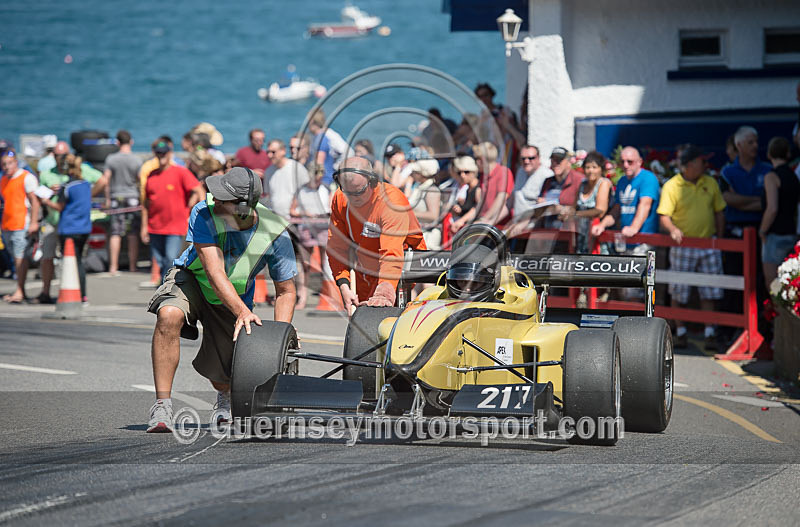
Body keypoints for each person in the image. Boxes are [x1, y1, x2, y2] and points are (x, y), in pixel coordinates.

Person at [145, 167, 297, 432]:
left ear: (241, 208)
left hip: (232, 297)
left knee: (221, 377)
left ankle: (224, 399)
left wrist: (279, 338)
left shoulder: (275, 232)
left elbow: (286, 291)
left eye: (222, 198)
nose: (214, 200)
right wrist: (243, 311)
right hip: (193, 280)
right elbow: (214, 273)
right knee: (169, 314)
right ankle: (162, 406)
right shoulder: (203, 213)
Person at [327, 157, 426, 314]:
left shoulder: (391, 203)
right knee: (362, 323)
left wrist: (385, 291)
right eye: (348, 192)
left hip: (400, 266)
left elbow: (392, 253)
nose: (353, 198)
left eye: (359, 191)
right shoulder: (340, 198)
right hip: (365, 268)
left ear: (372, 182)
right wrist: (343, 285)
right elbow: (336, 246)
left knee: (387, 322)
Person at [657, 145, 726, 350]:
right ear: (689, 165)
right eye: (701, 161)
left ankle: (710, 333)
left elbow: (719, 212)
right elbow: (664, 217)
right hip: (683, 244)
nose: (705, 165)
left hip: (708, 243)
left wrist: (719, 241)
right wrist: (673, 230)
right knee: (679, 291)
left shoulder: (710, 182)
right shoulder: (672, 185)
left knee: (710, 291)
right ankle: (681, 332)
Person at [37, 141, 102, 304]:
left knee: (70, 262)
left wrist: (46, 201)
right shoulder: (84, 184)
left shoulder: (68, 186)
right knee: (78, 261)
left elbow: (60, 206)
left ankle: (71, 293)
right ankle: (83, 295)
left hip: (68, 228)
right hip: (82, 227)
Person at [140, 139, 205, 283]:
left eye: (164, 153)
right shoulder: (151, 175)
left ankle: (165, 289)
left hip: (175, 227)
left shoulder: (180, 172)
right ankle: (165, 287)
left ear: (170, 153)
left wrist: (198, 214)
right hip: (155, 227)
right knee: (160, 261)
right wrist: (144, 227)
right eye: (158, 153)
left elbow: (198, 190)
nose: (161, 156)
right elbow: (146, 204)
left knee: (171, 259)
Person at [592, 146, 661, 253]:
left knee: (646, 269)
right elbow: (617, 209)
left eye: (630, 161)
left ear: (639, 162)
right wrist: (602, 225)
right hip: (626, 241)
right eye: (622, 161)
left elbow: (645, 204)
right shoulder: (622, 181)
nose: (625, 165)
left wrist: (633, 228)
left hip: (644, 242)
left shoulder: (648, 178)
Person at [759, 137, 800, 287]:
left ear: (769, 154)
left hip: (775, 236)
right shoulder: (794, 177)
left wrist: (762, 231)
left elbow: (772, 208)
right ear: (788, 154)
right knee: (790, 285)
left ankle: (776, 310)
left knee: (774, 285)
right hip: (792, 234)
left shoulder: (771, 177)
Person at [101, 130, 142, 275]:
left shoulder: (111, 159)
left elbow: (106, 180)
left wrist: (107, 199)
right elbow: (140, 180)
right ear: (131, 142)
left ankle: (113, 267)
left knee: (115, 233)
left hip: (115, 198)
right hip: (132, 198)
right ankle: (132, 266)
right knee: (132, 234)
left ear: (117, 142)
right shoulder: (136, 160)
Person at [0, 150, 39, 303]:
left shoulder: (26, 178)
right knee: (14, 257)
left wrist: (34, 222)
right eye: (3, 164)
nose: (6, 167)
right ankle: (19, 288)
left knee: (20, 258)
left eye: (9, 163)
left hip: (22, 223)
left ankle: (20, 290)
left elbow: (34, 201)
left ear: (15, 162)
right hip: (7, 225)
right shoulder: (4, 180)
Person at [290, 165, 331, 309]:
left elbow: (331, 207)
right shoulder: (302, 190)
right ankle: (302, 297)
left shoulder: (325, 189)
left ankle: (326, 295)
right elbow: (292, 210)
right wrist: (305, 214)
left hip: (322, 227)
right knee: (305, 264)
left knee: (325, 263)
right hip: (306, 227)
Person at [559, 151, 612, 253]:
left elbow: (600, 211)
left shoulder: (603, 183)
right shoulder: (583, 184)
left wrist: (576, 214)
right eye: (587, 167)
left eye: (594, 167)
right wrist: (565, 212)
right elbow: (574, 206)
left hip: (597, 234)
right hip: (581, 233)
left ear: (601, 169)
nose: (590, 171)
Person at [474, 83, 525, 174]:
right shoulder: (481, 116)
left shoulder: (503, 110)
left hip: (506, 149)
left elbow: (509, 129)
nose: (484, 99)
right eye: (480, 96)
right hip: (490, 151)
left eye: (486, 95)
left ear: (491, 95)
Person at [537, 147, 586, 230]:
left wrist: (561, 209)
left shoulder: (579, 180)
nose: (556, 163)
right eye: (553, 160)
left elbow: (585, 208)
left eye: (559, 160)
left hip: (569, 232)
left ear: (568, 162)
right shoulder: (548, 181)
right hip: (548, 231)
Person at [263, 139, 310, 220]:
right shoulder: (268, 171)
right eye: (268, 152)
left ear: (283, 151)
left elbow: (308, 192)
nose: (269, 155)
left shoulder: (297, 168)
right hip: (276, 219)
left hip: (295, 219)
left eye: (273, 152)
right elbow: (268, 195)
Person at [472, 142, 514, 226]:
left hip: (499, 226)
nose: (475, 162)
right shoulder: (483, 175)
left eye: (476, 158)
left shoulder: (503, 172)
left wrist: (484, 220)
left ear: (481, 160)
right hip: (485, 224)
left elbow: (501, 199)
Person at [406, 159, 442, 250]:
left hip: (428, 236)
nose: (412, 173)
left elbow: (433, 215)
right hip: (418, 234)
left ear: (423, 174)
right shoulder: (420, 187)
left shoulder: (431, 190)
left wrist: (408, 213)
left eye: (415, 172)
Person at [512, 145, 553, 222]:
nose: (526, 161)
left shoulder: (547, 176)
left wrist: (525, 223)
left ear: (538, 158)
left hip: (533, 227)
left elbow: (546, 208)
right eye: (523, 158)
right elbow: (510, 202)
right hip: (516, 225)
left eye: (531, 158)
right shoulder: (520, 171)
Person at [308, 110, 348, 188]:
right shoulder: (322, 137)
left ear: (313, 122)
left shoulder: (320, 139)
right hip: (327, 180)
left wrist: (316, 183)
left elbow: (320, 164)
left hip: (324, 182)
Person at [448, 155, 482, 236]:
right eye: (459, 173)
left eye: (466, 172)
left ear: (474, 171)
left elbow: (477, 209)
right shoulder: (468, 189)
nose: (462, 175)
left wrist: (461, 220)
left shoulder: (478, 189)